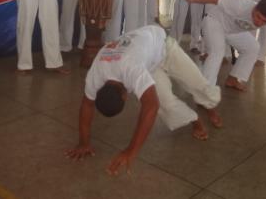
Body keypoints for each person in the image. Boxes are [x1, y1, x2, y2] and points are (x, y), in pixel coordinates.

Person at [65, 25, 222, 175]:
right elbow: (87, 104)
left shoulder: (130, 69)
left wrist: (131, 151)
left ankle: (209, 105)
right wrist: (83, 143)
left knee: (196, 83)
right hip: (146, 62)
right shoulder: (96, 74)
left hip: (164, 46)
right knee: (166, 105)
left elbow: (150, 107)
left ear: (125, 96)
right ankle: (195, 120)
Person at [181, 0, 266, 91]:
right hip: (214, 21)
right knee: (217, 52)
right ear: (255, 8)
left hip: (232, 31)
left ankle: (233, 79)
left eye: (264, 21)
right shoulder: (240, 4)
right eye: (258, 17)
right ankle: (205, 92)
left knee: (253, 47)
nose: (259, 22)